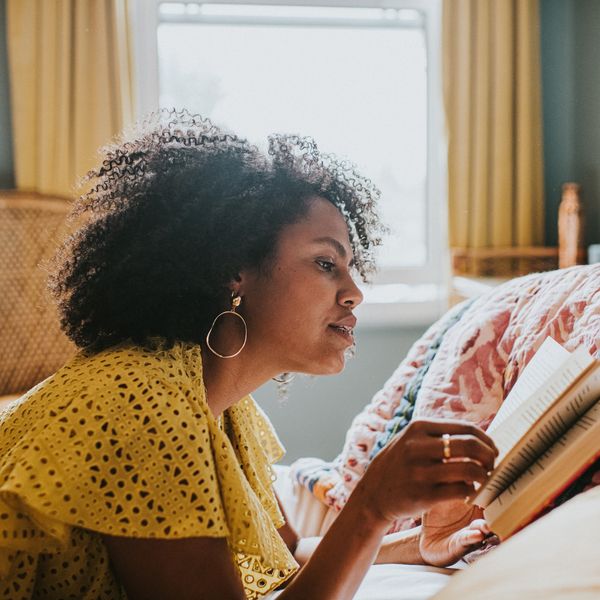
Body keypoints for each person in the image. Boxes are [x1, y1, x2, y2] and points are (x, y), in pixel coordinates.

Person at [0, 110, 497, 599]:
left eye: (350, 268)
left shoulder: (222, 407)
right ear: (234, 270)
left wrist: (419, 545)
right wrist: (371, 505)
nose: (353, 293)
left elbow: (290, 555)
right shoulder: (139, 403)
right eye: (326, 263)